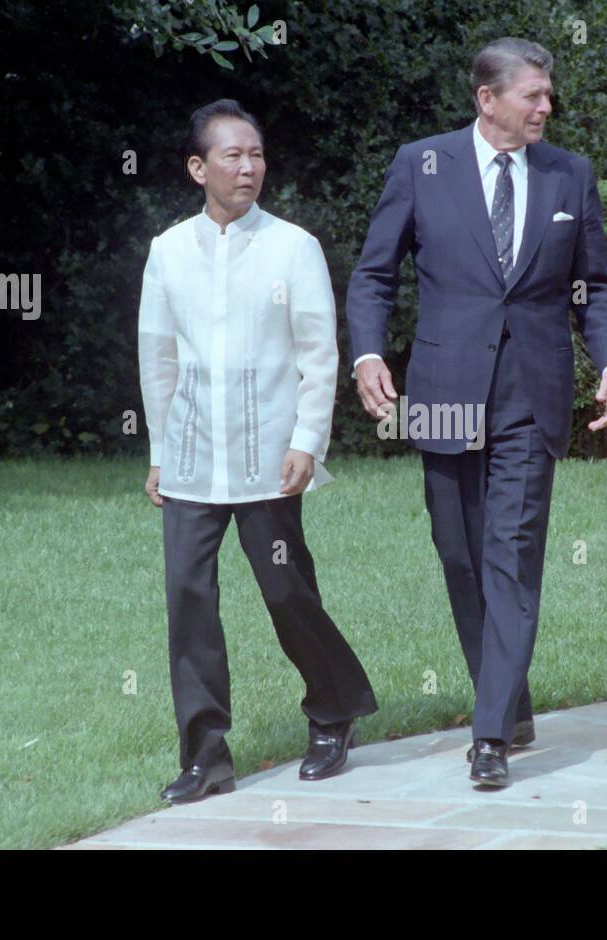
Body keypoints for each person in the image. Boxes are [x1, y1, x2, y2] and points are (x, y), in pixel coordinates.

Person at [346, 38, 607, 788]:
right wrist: (368, 354)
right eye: (532, 95)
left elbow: (595, 285)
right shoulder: (422, 163)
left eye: (548, 95)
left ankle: (490, 734)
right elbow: (374, 273)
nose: (546, 107)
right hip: (441, 391)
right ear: (487, 99)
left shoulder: (571, 173)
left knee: (510, 555)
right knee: (460, 553)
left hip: (530, 396)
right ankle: (512, 699)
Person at [138, 99, 378, 803]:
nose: (249, 168)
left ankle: (335, 709)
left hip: (270, 456)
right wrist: (158, 451)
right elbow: (157, 359)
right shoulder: (168, 250)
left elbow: (317, 353)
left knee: (285, 590)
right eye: (232, 156)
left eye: (257, 155)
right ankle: (204, 755)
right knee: (187, 599)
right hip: (188, 461)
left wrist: (308, 440)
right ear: (197, 167)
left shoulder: (292, 246)